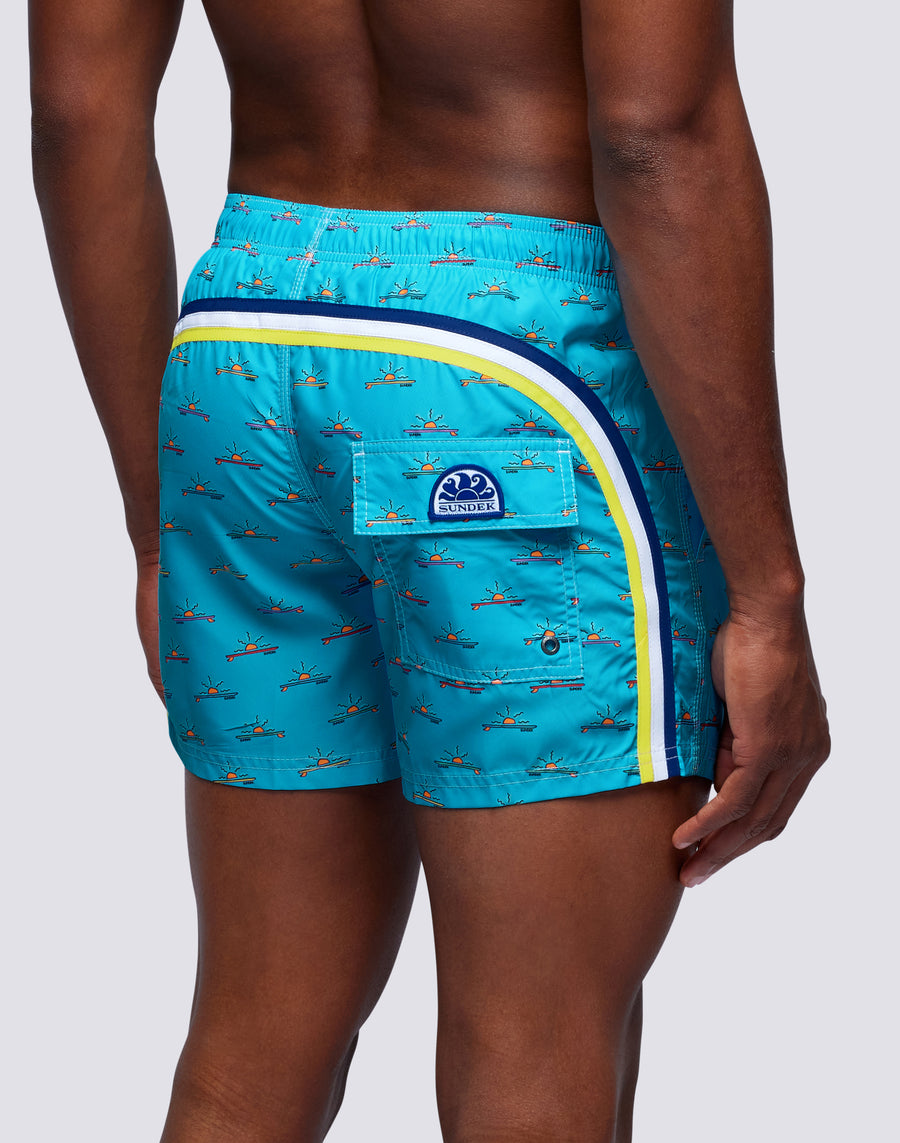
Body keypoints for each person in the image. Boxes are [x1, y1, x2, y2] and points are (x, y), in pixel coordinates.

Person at [29, 1, 831, 1140]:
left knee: (250, 1049)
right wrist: (766, 600)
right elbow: (658, 130)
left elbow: (77, 115)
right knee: (536, 1050)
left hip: (245, 346)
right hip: (509, 373)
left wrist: (155, 532)